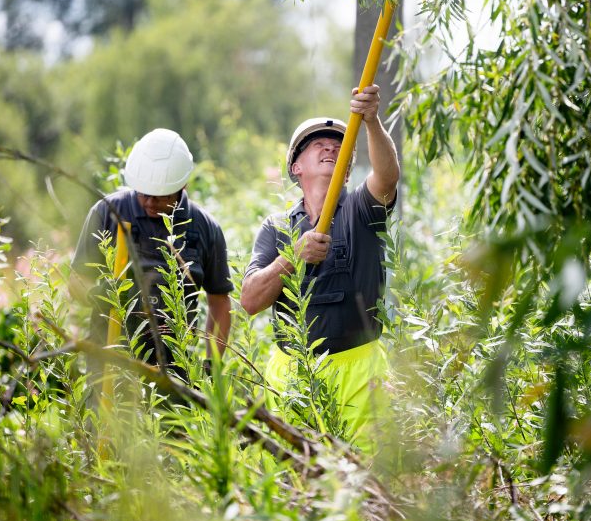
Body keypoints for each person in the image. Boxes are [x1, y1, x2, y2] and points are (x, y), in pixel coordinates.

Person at [241, 85, 399, 447]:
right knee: (291, 479)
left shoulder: (364, 208)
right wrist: (292, 257)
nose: (330, 148)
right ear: (296, 168)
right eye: (318, 145)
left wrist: (372, 121)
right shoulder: (276, 228)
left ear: (346, 170)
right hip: (293, 375)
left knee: (364, 481)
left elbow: (388, 178)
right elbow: (249, 301)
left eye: (338, 146)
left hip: (362, 373)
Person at [72, 128, 233, 378]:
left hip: (175, 369)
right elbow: (76, 281)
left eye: (160, 197)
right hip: (110, 362)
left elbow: (220, 302)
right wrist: (97, 295)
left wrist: (212, 364)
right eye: (143, 193)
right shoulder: (107, 213)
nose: (149, 202)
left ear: (183, 185)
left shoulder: (205, 228)